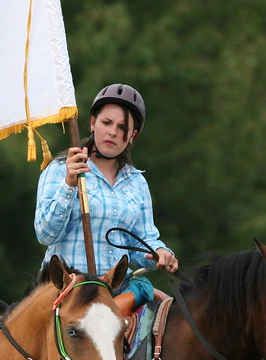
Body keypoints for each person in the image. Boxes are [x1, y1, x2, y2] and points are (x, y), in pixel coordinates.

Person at [34, 83, 177, 319]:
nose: (112, 132)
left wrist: (159, 252)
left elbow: (143, 240)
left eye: (122, 127)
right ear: (93, 123)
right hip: (67, 290)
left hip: (114, 290)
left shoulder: (137, 182)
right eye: (106, 123)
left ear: (132, 136)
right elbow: (45, 234)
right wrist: (70, 183)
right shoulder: (60, 169)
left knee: (164, 317)